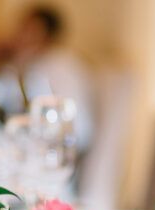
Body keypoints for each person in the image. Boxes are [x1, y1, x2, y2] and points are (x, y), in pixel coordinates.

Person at [8, 6, 95, 150]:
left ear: (46, 35)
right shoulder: (49, 62)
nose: (19, 37)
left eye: (28, 31)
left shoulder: (57, 66)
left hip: (64, 151)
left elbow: (76, 128)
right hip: (56, 147)